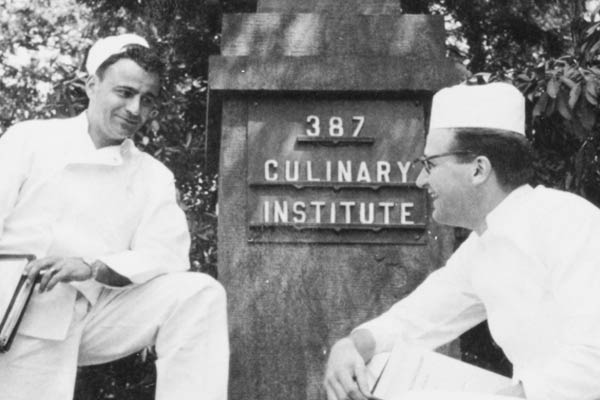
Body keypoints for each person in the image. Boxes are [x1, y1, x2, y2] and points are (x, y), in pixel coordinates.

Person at [324, 82, 600, 400]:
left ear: (478, 170)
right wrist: (350, 346)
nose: (421, 180)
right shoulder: (482, 245)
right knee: (374, 371)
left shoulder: (568, 221)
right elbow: (416, 319)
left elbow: (594, 357)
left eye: (430, 164)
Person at [0, 34, 229, 400]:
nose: (135, 110)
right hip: (15, 306)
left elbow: (166, 255)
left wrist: (91, 267)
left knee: (199, 294)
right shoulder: (29, 140)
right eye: (124, 93)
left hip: (94, 311)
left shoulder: (152, 175)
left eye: (147, 100)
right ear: (91, 85)